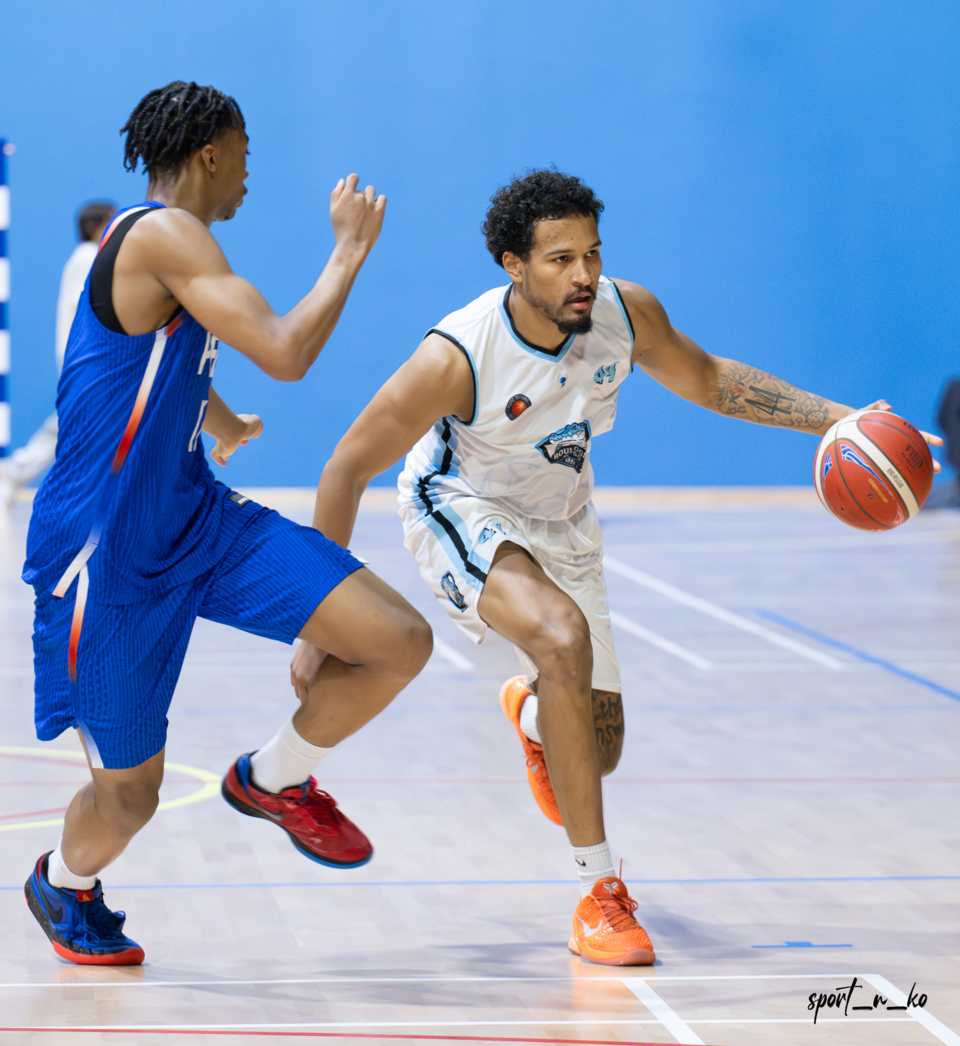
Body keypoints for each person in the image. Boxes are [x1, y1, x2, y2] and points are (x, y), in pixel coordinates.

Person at [301, 168, 942, 968]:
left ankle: (531, 714)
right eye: (561, 259)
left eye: (593, 254)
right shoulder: (457, 355)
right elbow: (344, 469)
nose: (584, 275)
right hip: (462, 503)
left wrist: (842, 421)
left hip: (564, 519)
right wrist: (315, 622)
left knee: (597, 752)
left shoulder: (624, 313)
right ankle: (599, 898)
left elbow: (711, 380)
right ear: (513, 265)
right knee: (561, 638)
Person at [22, 81, 432, 967]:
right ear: (210, 152)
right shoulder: (163, 233)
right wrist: (348, 251)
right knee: (128, 801)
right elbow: (285, 351)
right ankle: (64, 882)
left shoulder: (169, 248)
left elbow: (140, 362)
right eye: (245, 154)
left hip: (196, 521)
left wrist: (220, 421)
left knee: (396, 640)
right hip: (106, 557)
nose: (250, 173)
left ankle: (272, 779)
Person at [0, 202, 117, 505]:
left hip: (85, 356)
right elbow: (89, 307)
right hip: (86, 357)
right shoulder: (88, 257)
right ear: (97, 225)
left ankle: (16, 472)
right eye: (111, 220)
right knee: (75, 420)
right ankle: (14, 472)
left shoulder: (87, 256)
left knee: (80, 420)